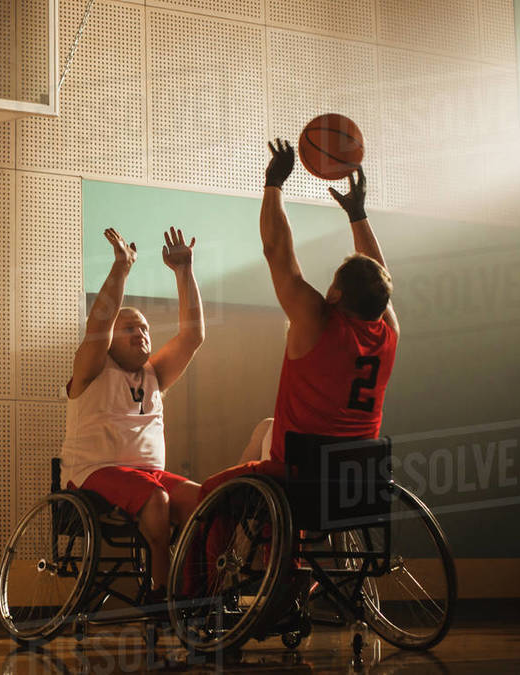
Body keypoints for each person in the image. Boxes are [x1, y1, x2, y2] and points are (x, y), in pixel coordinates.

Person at [198, 138, 398, 498]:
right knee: (267, 429)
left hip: (295, 477)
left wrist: (273, 182)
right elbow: (380, 281)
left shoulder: (318, 323)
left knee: (207, 496)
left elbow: (276, 251)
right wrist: (358, 215)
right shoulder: (388, 334)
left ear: (335, 295)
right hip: (354, 486)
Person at [60, 227, 205, 601]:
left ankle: (200, 591)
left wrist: (184, 271)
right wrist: (121, 268)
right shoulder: (93, 367)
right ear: (111, 339)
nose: (141, 333)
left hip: (148, 476)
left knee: (205, 500)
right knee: (156, 499)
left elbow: (192, 337)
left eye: (144, 328)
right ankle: (162, 592)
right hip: (94, 473)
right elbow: (98, 325)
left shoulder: (155, 374)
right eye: (129, 328)